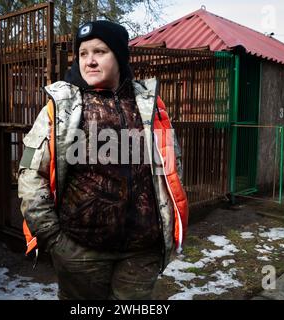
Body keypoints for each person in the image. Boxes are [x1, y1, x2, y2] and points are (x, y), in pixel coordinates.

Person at [18, 20, 188, 300]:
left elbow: (172, 163)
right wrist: (53, 238)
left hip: (142, 251)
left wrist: (164, 227)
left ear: (119, 56)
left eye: (100, 52)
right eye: (83, 53)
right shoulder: (60, 108)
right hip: (81, 252)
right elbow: (29, 173)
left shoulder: (149, 104)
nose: (90, 61)